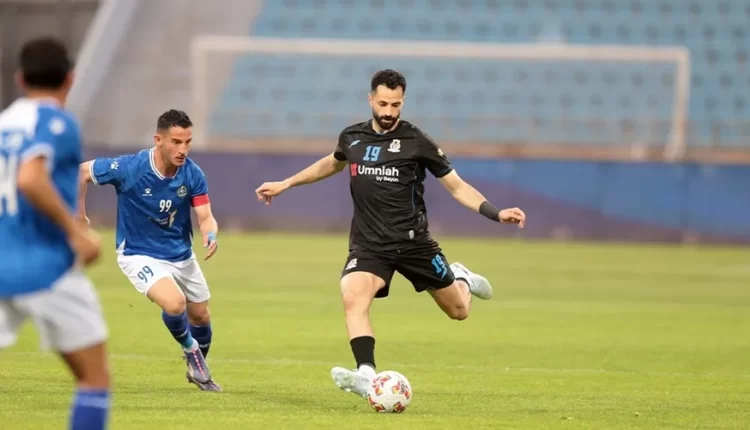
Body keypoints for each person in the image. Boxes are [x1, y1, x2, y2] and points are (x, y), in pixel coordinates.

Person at [255, 69, 526, 399]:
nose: (388, 111)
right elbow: (333, 162)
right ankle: (366, 374)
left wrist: (496, 213)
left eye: (395, 105)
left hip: (414, 244)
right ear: (370, 99)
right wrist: (286, 183)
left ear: (403, 102)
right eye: (383, 103)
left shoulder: (417, 142)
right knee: (353, 296)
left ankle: (462, 279)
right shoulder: (352, 137)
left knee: (459, 311)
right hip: (369, 245)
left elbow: (456, 187)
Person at [0, 37, 111, 429]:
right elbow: (31, 178)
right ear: (70, 79)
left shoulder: (4, 124)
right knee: (94, 379)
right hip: (46, 267)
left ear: (20, 79)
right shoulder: (58, 123)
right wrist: (75, 232)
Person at [78, 109, 221, 392]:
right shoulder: (130, 167)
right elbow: (80, 173)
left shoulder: (192, 173)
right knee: (175, 304)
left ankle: (197, 367)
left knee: (201, 315)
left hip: (180, 254)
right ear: (158, 140)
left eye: (188, 142)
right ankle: (191, 350)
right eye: (176, 142)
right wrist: (78, 217)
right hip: (138, 253)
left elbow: (205, 215)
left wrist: (210, 232)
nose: (183, 150)